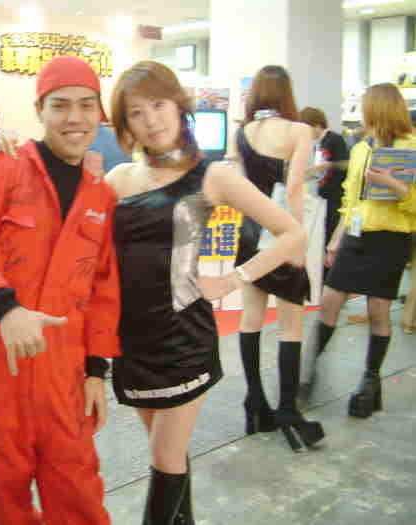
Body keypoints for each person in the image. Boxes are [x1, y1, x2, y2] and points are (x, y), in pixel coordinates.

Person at [105, 60, 306, 525]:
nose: (151, 120)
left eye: (158, 105)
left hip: (184, 339)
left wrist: (236, 279)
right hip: (132, 342)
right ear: (125, 124)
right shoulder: (117, 180)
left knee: (164, 458)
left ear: (179, 106)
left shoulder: (213, 176)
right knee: (170, 456)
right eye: (136, 112)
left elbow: (291, 233)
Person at [0, 56, 120, 525]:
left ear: (100, 112)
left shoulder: (101, 195)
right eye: (60, 105)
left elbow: (103, 289)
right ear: (40, 110)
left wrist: (96, 370)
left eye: (86, 105)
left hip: (63, 377)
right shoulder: (2, 168)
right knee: (8, 504)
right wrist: (5, 309)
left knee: (80, 498)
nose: (75, 117)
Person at [306, 83, 416, 418]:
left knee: (378, 311)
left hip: (391, 239)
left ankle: (370, 381)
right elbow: (351, 201)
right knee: (330, 302)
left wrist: (392, 185)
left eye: (366, 108)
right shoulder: (359, 149)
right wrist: (336, 239)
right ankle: (306, 372)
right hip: (355, 237)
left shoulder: (411, 147)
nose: (361, 115)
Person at [234, 65, 325, 451]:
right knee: (291, 327)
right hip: (280, 233)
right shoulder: (298, 130)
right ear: (287, 93)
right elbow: (293, 189)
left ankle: (255, 402)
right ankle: (288, 410)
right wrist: (297, 242)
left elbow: (241, 187)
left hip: (248, 233)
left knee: (250, 318)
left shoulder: (243, 132)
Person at [299, 107, 349, 248]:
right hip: (324, 196)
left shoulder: (335, 139)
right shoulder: (318, 144)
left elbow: (347, 164)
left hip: (336, 196)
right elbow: (320, 170)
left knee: (332, 233)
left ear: (317, 125)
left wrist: (327, 166)